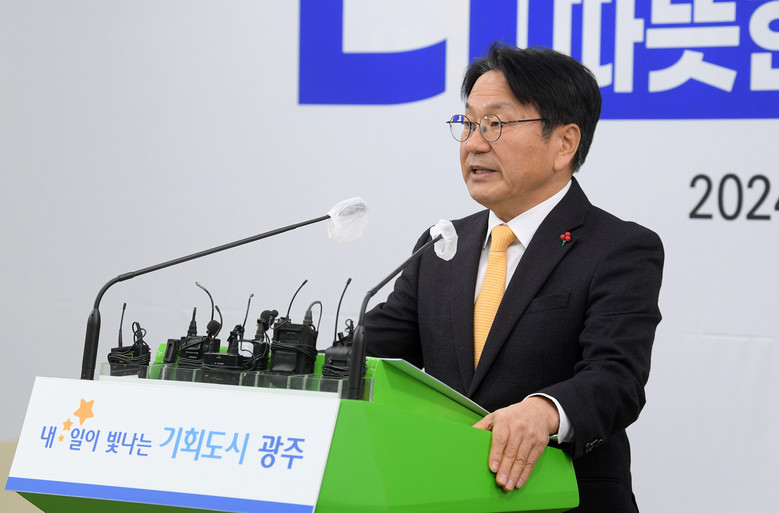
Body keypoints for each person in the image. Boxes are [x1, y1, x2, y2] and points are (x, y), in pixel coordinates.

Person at [364, 43, 664, 513]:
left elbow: (616, 377)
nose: (474, 143)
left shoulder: (619, 248)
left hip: (561, 501)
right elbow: (368, 352)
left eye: (495, 124)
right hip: (443, 496)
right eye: (468, 124)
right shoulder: (441, 245)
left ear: (564, 143)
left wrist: (544, 411)